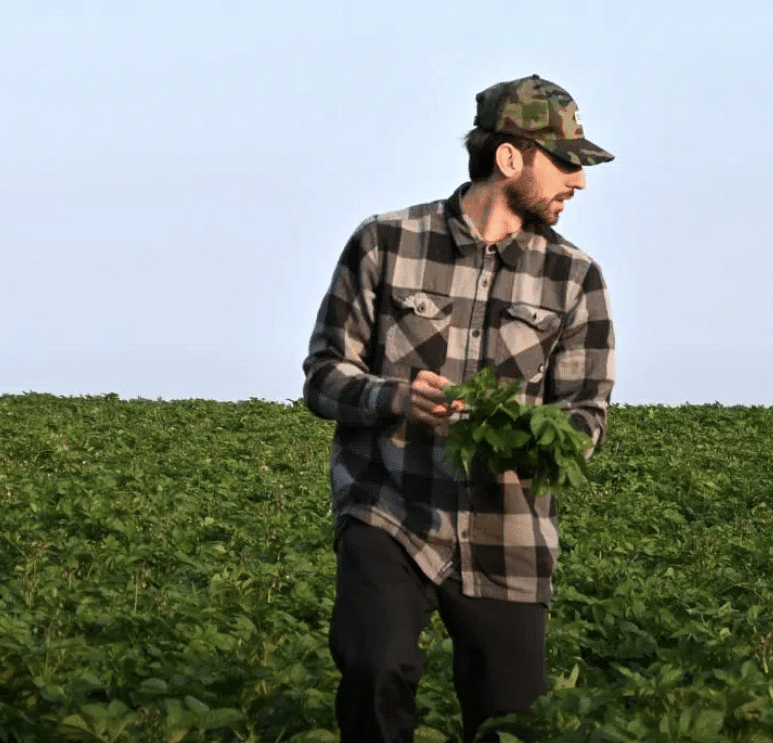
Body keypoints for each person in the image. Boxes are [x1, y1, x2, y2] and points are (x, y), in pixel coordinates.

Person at [302, 74, 616, 743]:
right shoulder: (385, 243)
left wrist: (524, 435)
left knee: (512, 720)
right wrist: (394, 396)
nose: (579, 181)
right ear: (510, 158)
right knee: (374, 667)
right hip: (390, 504)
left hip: (507, 529)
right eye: (566, 163)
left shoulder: (576, 278)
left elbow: (587, 417)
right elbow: (324, 378)